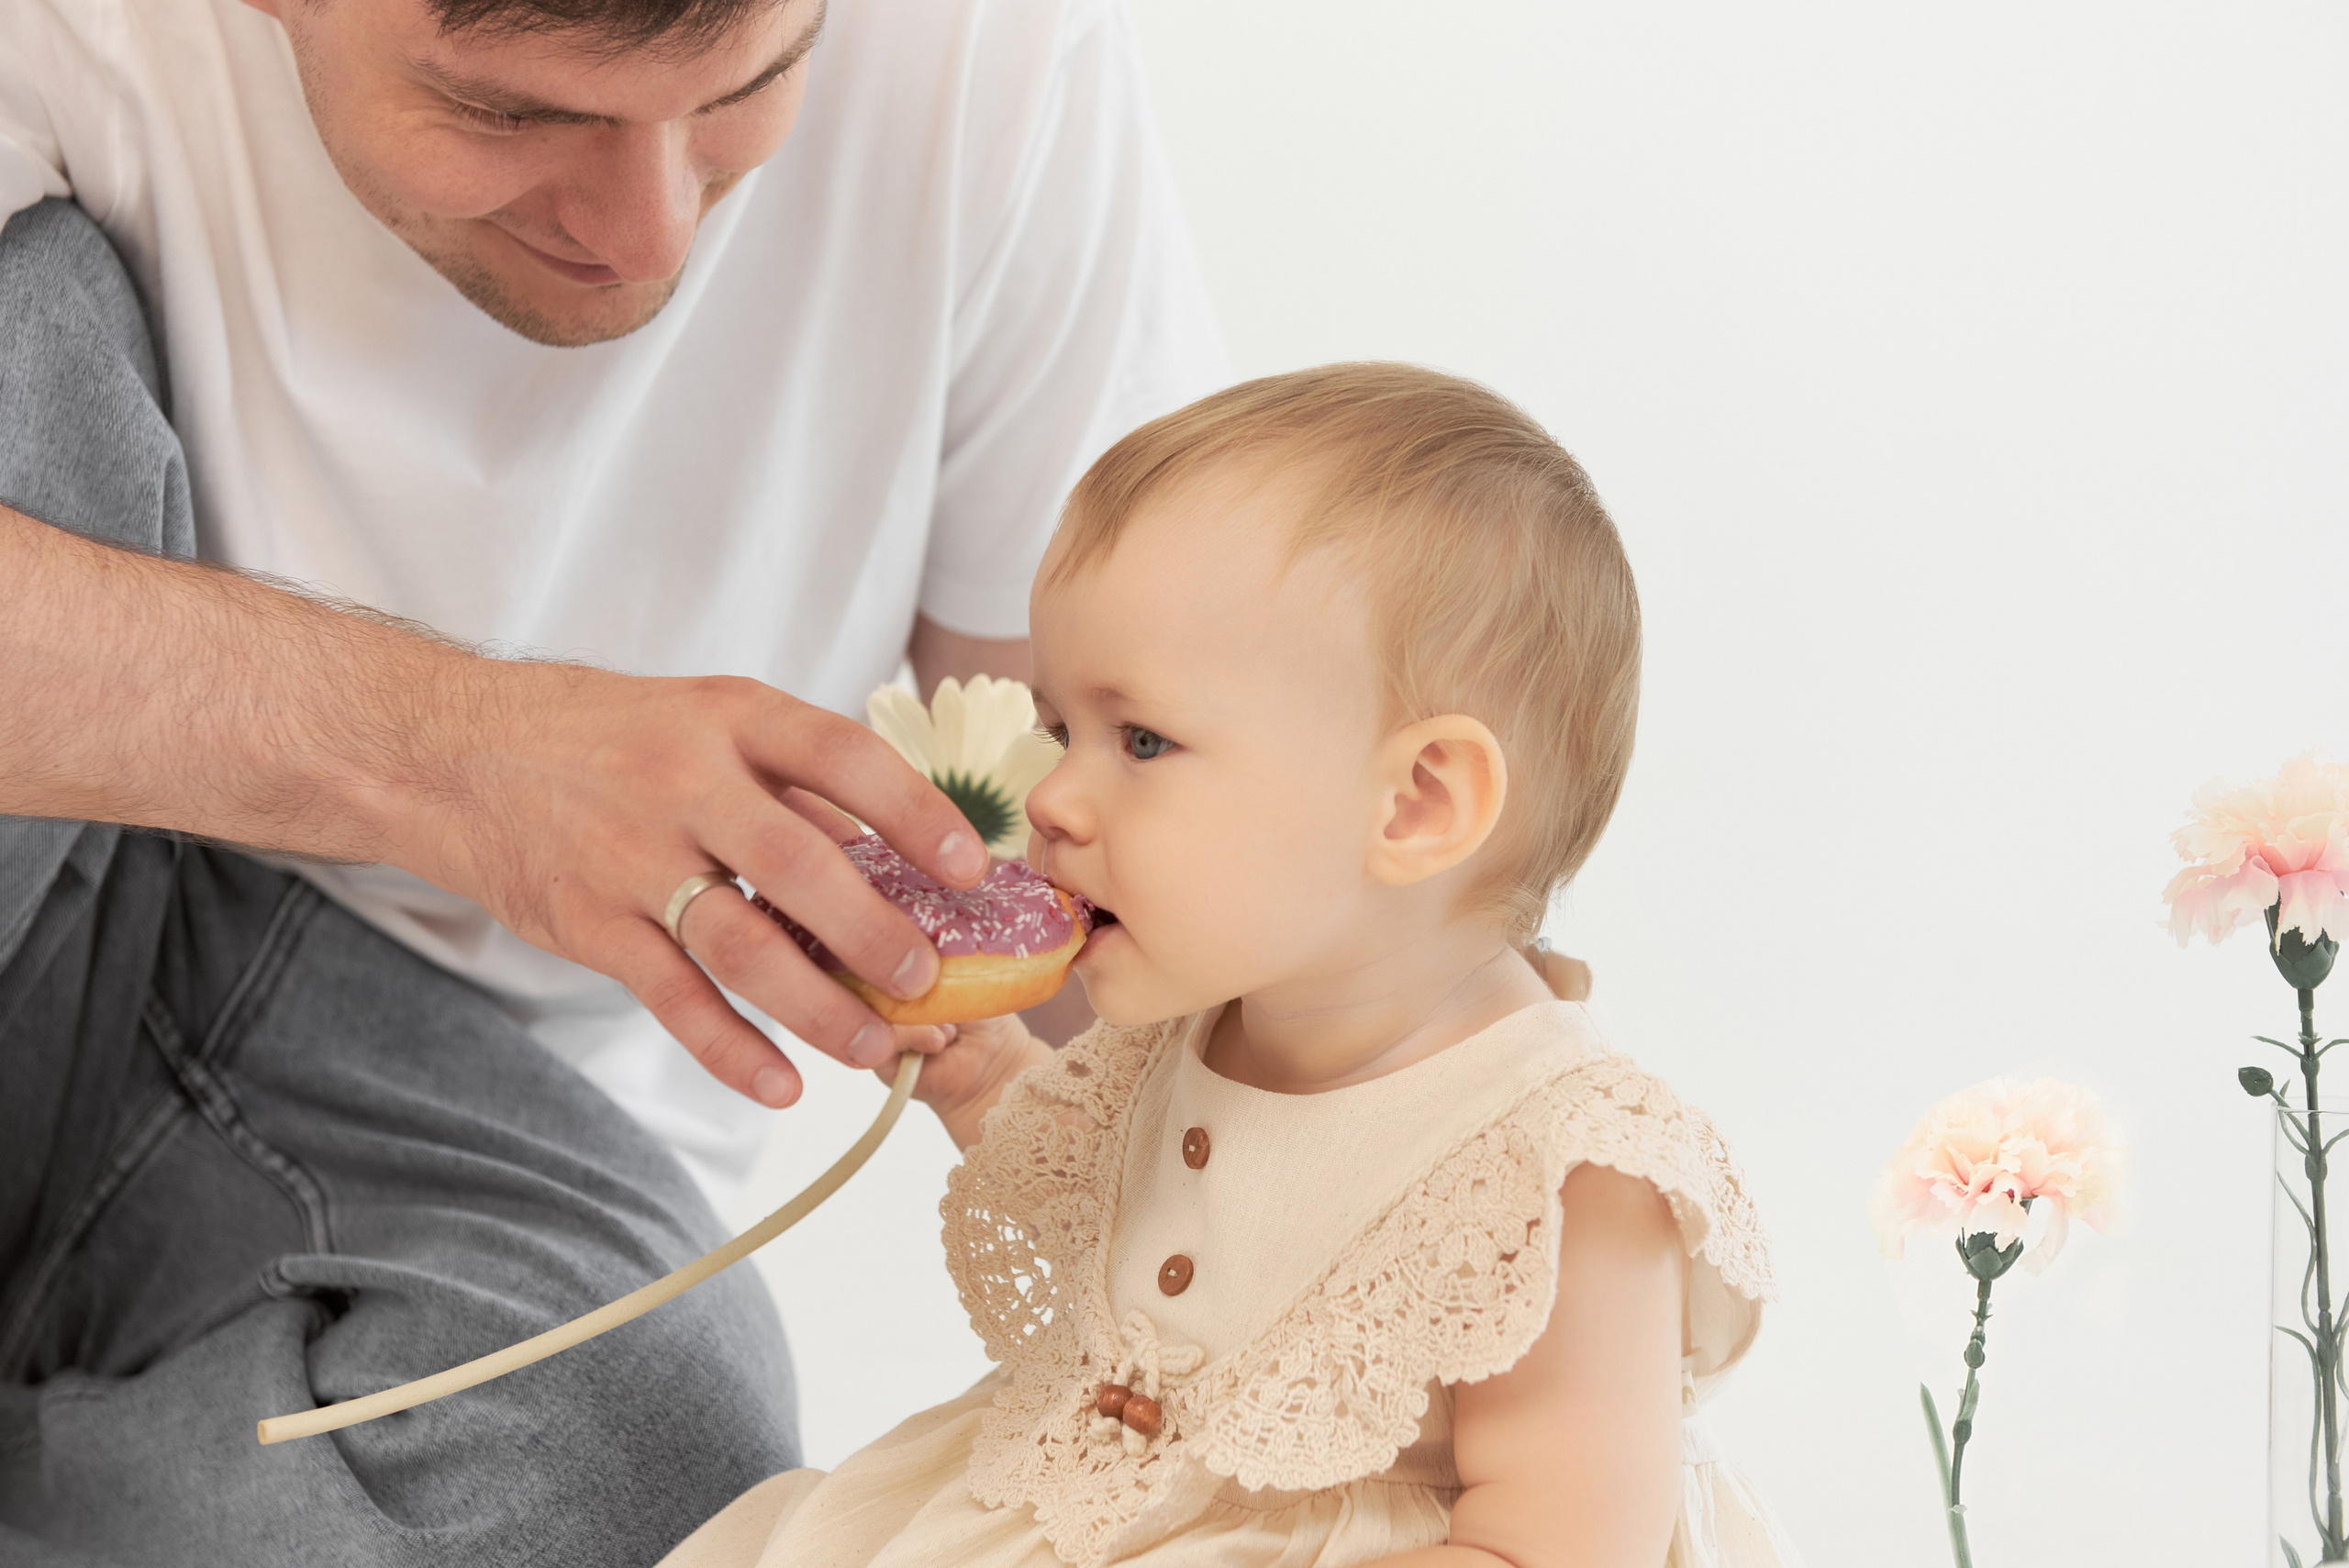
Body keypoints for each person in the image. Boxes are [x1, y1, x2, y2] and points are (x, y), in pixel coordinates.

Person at [0, 0, 1225, 1559]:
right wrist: (460, 755)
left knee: (640, 1463)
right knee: (28, 342)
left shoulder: (993, 53)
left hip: (419, 1101)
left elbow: (1108, 797)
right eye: (510, 113)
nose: (653, 237)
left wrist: (1331, 1232)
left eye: (754, 84)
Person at [659, 363, 1805, 1568]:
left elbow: (1549, 1549)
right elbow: (1117, 1201)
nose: (1050, 798)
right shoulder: (1200, 1023)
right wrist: (981, 1070)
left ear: (1415, 803)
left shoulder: (1565, 1169)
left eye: (1142, 740)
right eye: (1060, 731)